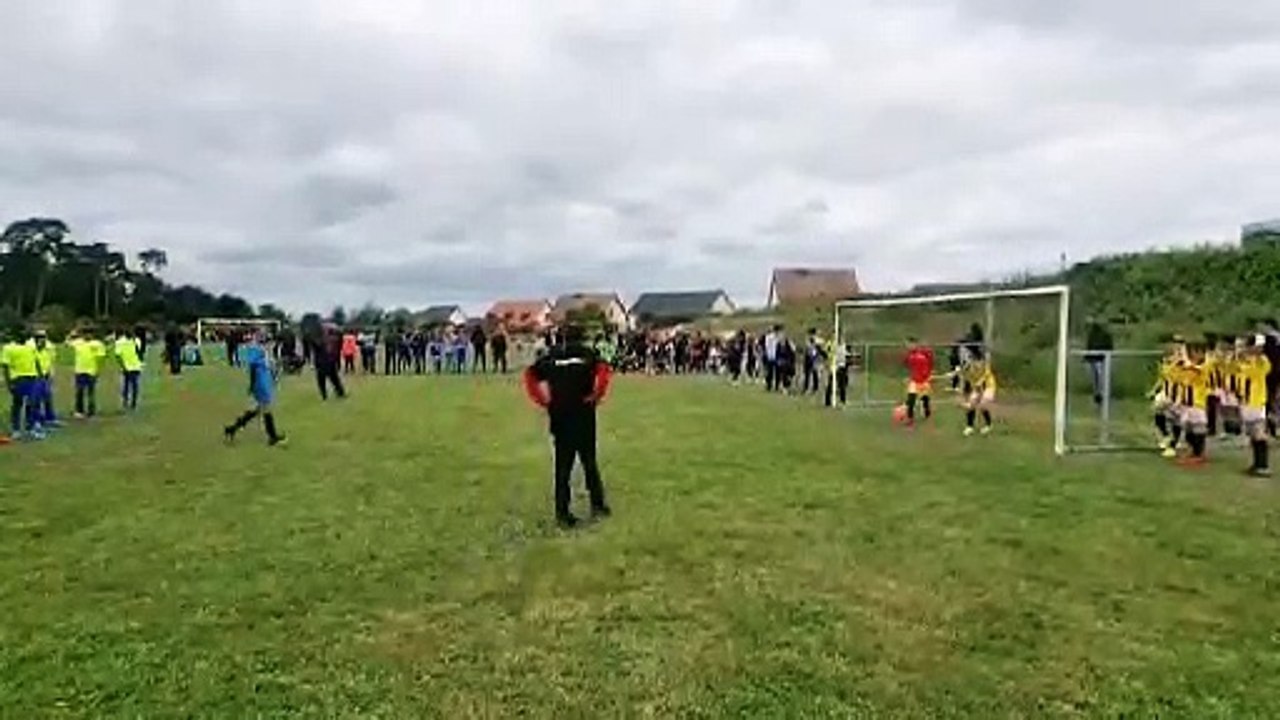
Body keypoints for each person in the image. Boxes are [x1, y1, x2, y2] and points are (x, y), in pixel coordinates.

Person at [522, 324, 613, 528]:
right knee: (589, 462)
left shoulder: (551, 357)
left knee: (562, 467)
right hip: (583, 415)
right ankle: (598, 505)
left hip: (560, 416)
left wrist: (544, 400)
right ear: (582, 338)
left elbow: (530, 376)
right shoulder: (588, 355)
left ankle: (562, 513)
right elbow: (605, 373)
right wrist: (595, 396)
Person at [224, 330, 287, 446]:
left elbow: (265, 365)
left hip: (263, 382)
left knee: (256, 410)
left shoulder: (260, 349)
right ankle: (272, 437)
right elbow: (252, 367)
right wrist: (253, 385)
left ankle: (232, 429)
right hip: (260, 383)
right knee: (266, 409)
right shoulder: (255, 350)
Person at [1236, 334, 1271, 476]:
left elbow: (1265, 366)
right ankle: (1257, 464)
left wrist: (1256, 353)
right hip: (1246, 402)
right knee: (1252, 434)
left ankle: (1263, 465)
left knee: (1259, 432)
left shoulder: (1261, 361)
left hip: (1256, 402)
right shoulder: (1244, 361)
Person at [1, 329, 44, 441]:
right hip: (18, 379)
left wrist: (40, 375)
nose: (25, 338)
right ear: (16, 337)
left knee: (32, 404)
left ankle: (30, 429)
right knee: (18, 404)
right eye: (23, 335)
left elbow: (36, 361)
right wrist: (9, 383)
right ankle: (16, 430)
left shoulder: (30, 347)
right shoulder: (8, 348)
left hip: (32, 378)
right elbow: (5, 366)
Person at [70, 328, 107, 418]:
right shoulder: (78, 342)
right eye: (85, 334)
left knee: (91, 392)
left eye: (89, 334)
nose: (87, 336)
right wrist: (72, 334)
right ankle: (79, 410)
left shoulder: (97, 344)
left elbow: (100, 358)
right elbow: (67, 343)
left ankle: (91, 411)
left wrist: (98, 370)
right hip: (79, 370)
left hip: (91, 371)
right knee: (79, 391)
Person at [958, 347, 996, 436]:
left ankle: (988, 425)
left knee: (983, 404)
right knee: (971, 403)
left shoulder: (983, 363)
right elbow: (966, 378)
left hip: (989, 386)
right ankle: (969, 427)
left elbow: (986, 374)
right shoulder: (968, 366)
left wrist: (980, 382)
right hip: (977, 387)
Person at [903, 337, 935, 425]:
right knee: (911, 399)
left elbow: (930, 363)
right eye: (907, 345)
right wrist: (909, 378)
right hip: (914, 380)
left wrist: (930, 374)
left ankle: (927, 414)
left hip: (923, 380)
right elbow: (909, 366)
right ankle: (910, 418)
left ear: (915, 344)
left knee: (925, 399)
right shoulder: (909, 355)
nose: (908, 346)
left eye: (909, 344)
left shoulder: (924, 353)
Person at [32, 330, 59, 428]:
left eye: (44, 339)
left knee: (48, 398)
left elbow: (49, 364)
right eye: (40, 339)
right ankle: (36, 421)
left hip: (46, 377)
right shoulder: (32, 351)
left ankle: (50, 418)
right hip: (36, 378)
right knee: (36, 400)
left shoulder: (46, 351)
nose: (43, 341)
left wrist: (50, 375)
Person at [1083, 318, 1113, 406]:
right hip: (1095, 360)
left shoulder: (1103, 336)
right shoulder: (1093, 336)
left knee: (1100, 379)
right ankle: (1098, 395)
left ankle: (1101, 396)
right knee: (1097, 379)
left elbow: (1108, 347)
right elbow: (1089, 347)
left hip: (1100, 360)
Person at [312, 325, 347, 400]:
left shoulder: (325, 340)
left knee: (328, 379)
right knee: (332, 379)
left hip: (325, 361)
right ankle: (338, 393)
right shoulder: (330, 339)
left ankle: (330, 394)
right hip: (327, 361)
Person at [114, 327, 144, 412]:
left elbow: (139, 352)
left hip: (135, 366)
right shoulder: (120, 342)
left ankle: (132, 403)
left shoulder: (136, 341)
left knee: (133, 386)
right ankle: (126, 402)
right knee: (127, 386)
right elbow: (118, 356)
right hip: (128, 366)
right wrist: (123, 365)